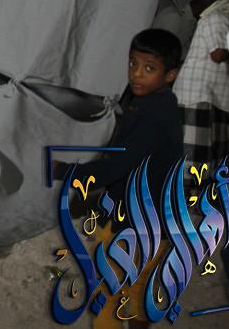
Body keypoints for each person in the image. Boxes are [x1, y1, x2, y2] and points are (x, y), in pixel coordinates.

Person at [53, 29, 183, 329]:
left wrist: (65, 171)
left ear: (170, 74)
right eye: (133, 63)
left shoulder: (152, 116)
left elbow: (116, 166)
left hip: (133, 225)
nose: (136, 73)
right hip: (156, 223)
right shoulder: (160, 103)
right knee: (137, 290)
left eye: (149, 68)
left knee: (109, 294)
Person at [175, 0, 229, 167]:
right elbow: (217, 54)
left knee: (212, 163)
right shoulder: (220, 17)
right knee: (193, 166)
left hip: (215, 100)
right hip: (197, 100)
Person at [151, 0, 218, 53]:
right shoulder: (175, 18)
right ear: (201, 7)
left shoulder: (191, 22)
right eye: (211, 13)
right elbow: (162, 52)